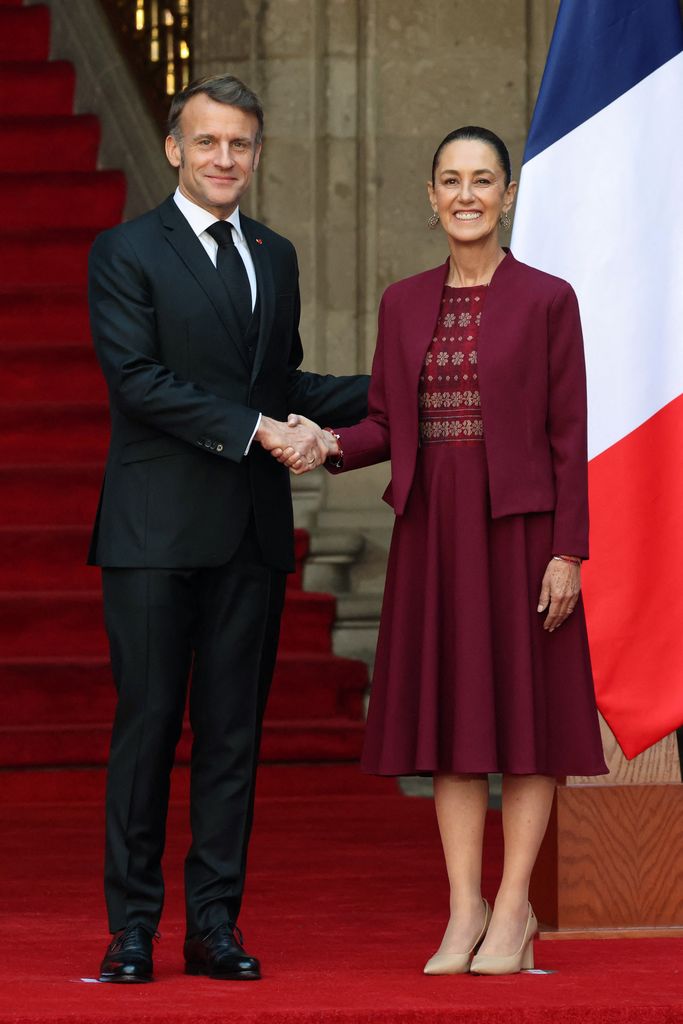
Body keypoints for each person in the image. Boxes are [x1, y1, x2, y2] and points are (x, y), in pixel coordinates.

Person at [284, 126, 607, 975]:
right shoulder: (401, 302)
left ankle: (513, 908)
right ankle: (463, 906)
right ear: (430, 198)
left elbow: (569, 437)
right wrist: (326, 445)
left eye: (482, 180)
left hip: (524, 536)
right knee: (452, 724)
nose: (465, 195)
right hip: (434, 535)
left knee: (526, 728)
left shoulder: (548, 299)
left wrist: (567, 550)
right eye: (450, 181)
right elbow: (389, 423)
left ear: (506, 196)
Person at [88, 73, 367, 984]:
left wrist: (405, 377)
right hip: (153, 535)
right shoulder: (125, 251)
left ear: (256, 152)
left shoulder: (275, 256)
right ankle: (131, 927)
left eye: (239, 144)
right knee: (148, 729)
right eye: (206, 142)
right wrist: (261, 431)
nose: (223, 159)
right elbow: (139, 383)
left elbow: (278, 386)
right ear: (174, 149)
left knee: (233, 739)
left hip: (248, 533)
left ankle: (213, 925)